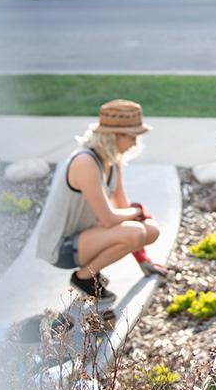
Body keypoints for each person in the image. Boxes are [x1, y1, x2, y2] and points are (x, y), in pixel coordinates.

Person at [37, 99, 168, 303]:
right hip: (62, 246)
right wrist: (136, 211)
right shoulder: (85, 162)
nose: (135, 143)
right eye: (132, 136)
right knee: (136, 230)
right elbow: (109, 219)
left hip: (85, 237)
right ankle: (84, 277)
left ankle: (91, 272)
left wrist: (143, 259)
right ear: (114, 136)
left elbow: (122, 208)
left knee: (150, 230)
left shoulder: (112, 162)